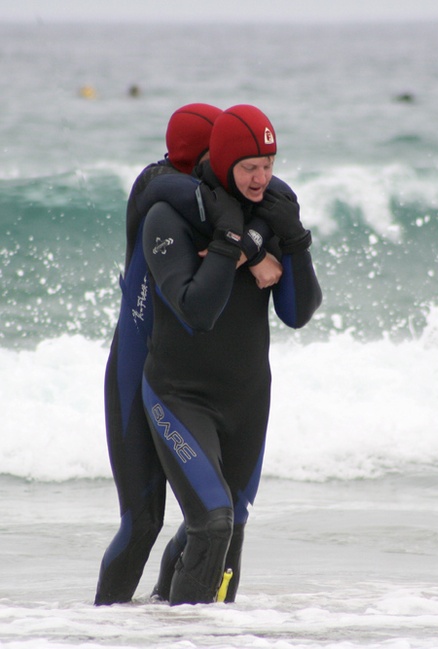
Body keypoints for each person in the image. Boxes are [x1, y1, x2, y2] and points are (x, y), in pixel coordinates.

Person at [140, 104, 322, 605]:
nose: (262, 177)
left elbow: (298, 312)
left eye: (269, 164)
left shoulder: (271, 212)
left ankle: (164, 624)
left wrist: (297, 241)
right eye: (249, 168)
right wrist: (231, 244)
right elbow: (197, 311)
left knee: (231, 524)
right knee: (213, 520)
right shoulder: (168, 217)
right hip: (179, 395)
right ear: (223, 163)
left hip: (246, 399)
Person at [95, 103, 223, 605]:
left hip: (181, 376)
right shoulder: (158, 187)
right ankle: (97, 630)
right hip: (133, 372)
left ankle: (164, 625)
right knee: (142, 522)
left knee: (203, 518)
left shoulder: (201, 190)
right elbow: (187, 197)